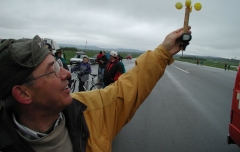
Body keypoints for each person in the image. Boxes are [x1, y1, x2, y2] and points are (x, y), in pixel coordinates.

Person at [0, 27, 191, 152]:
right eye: (53, 70)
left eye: (59, 65)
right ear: (23, 93)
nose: (66, 73)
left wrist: (162, 53)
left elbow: (127, 89)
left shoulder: (90, 109)